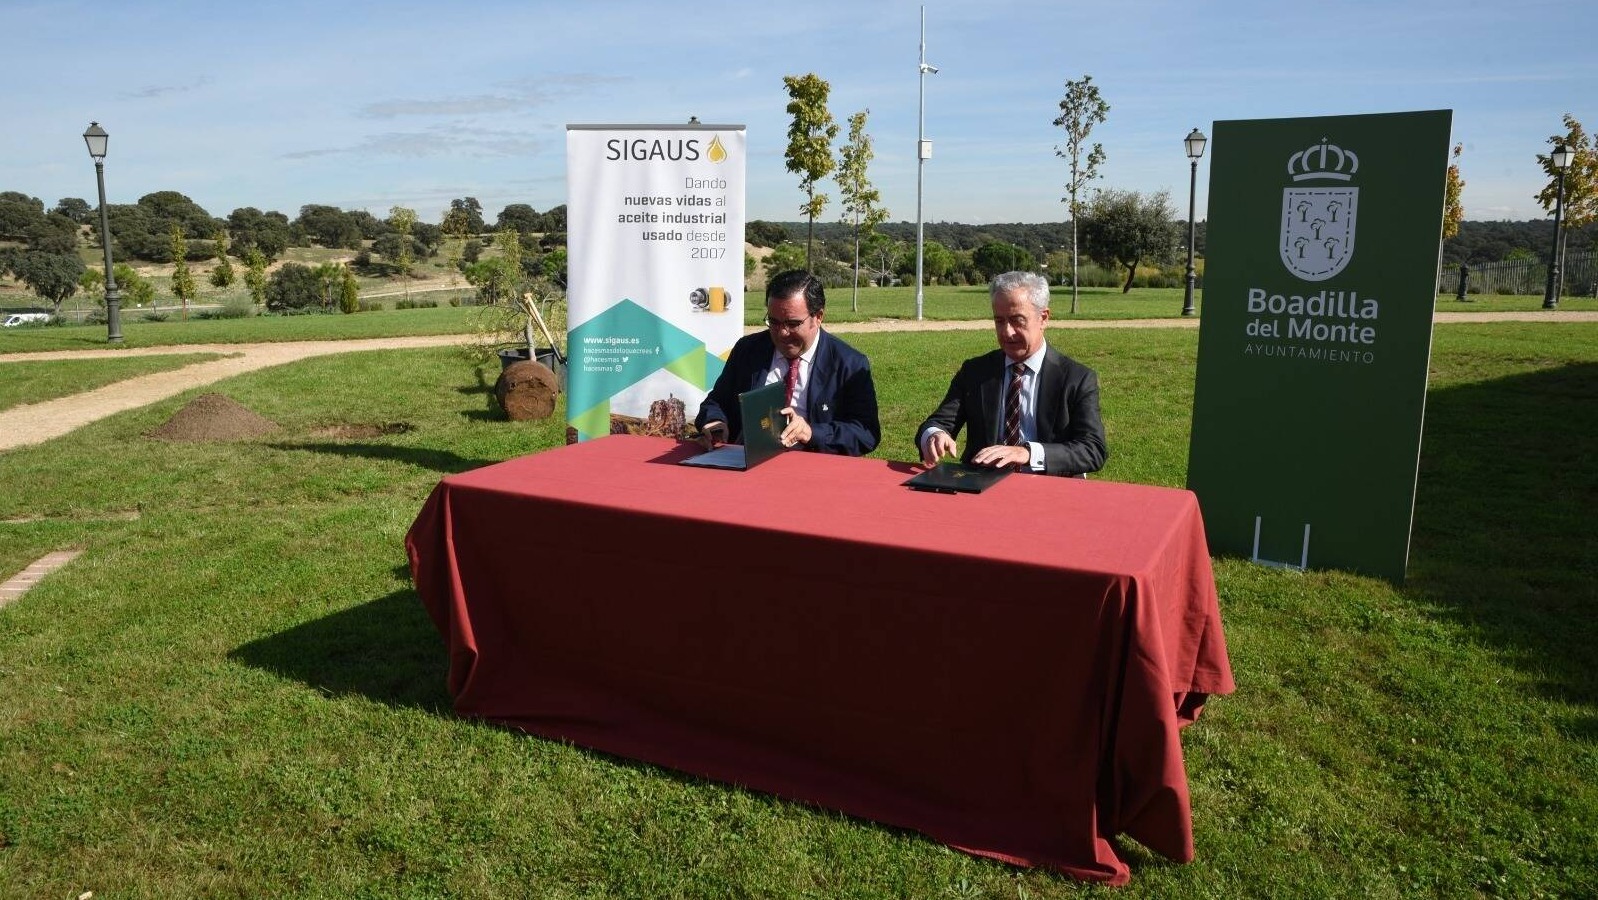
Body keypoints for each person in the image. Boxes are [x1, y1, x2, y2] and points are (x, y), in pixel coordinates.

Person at [916, 271, 1107, 476]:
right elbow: (939, 422)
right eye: (999, 321)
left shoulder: (1076, 378)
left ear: (1043, 318)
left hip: (1052, 489)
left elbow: (1092, 449)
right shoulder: (975, 371)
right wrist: (933, 435)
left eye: (1017, 320)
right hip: (984, 486)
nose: (1007, 332)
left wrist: (1028, 453)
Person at [695, 269, 880, 456]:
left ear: (818, 317)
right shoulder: (748, 350)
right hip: (747, 463)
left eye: (792, 324)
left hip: (813, 469)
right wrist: (715, 421)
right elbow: (716, 401)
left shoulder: (849, 364)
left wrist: (811, 432)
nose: (782, 333)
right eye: (774, 322)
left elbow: (866, 433)